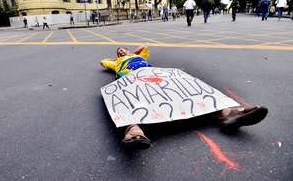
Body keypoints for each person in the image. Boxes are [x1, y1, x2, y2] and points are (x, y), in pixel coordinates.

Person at [100, 46, 268, 149]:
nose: (121, 51)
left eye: (123, 49)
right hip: (131, 76)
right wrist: (118, 59)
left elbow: (145, 46)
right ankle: (133, 129)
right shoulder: (116, 63)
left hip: (152, 72)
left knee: (186, 82)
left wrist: (132, 52)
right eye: (118, 51)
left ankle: (227, 113)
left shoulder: (140, 56)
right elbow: (103, 61)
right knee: (127, 94)